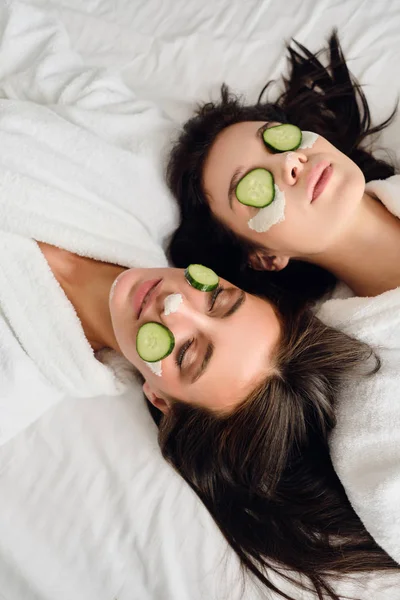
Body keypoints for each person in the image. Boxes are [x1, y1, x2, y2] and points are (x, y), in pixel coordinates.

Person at [167, 31, 399, 308]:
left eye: (277, 139)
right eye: (252, 184)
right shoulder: (370, 345)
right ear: (265, 258)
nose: (290, 161)